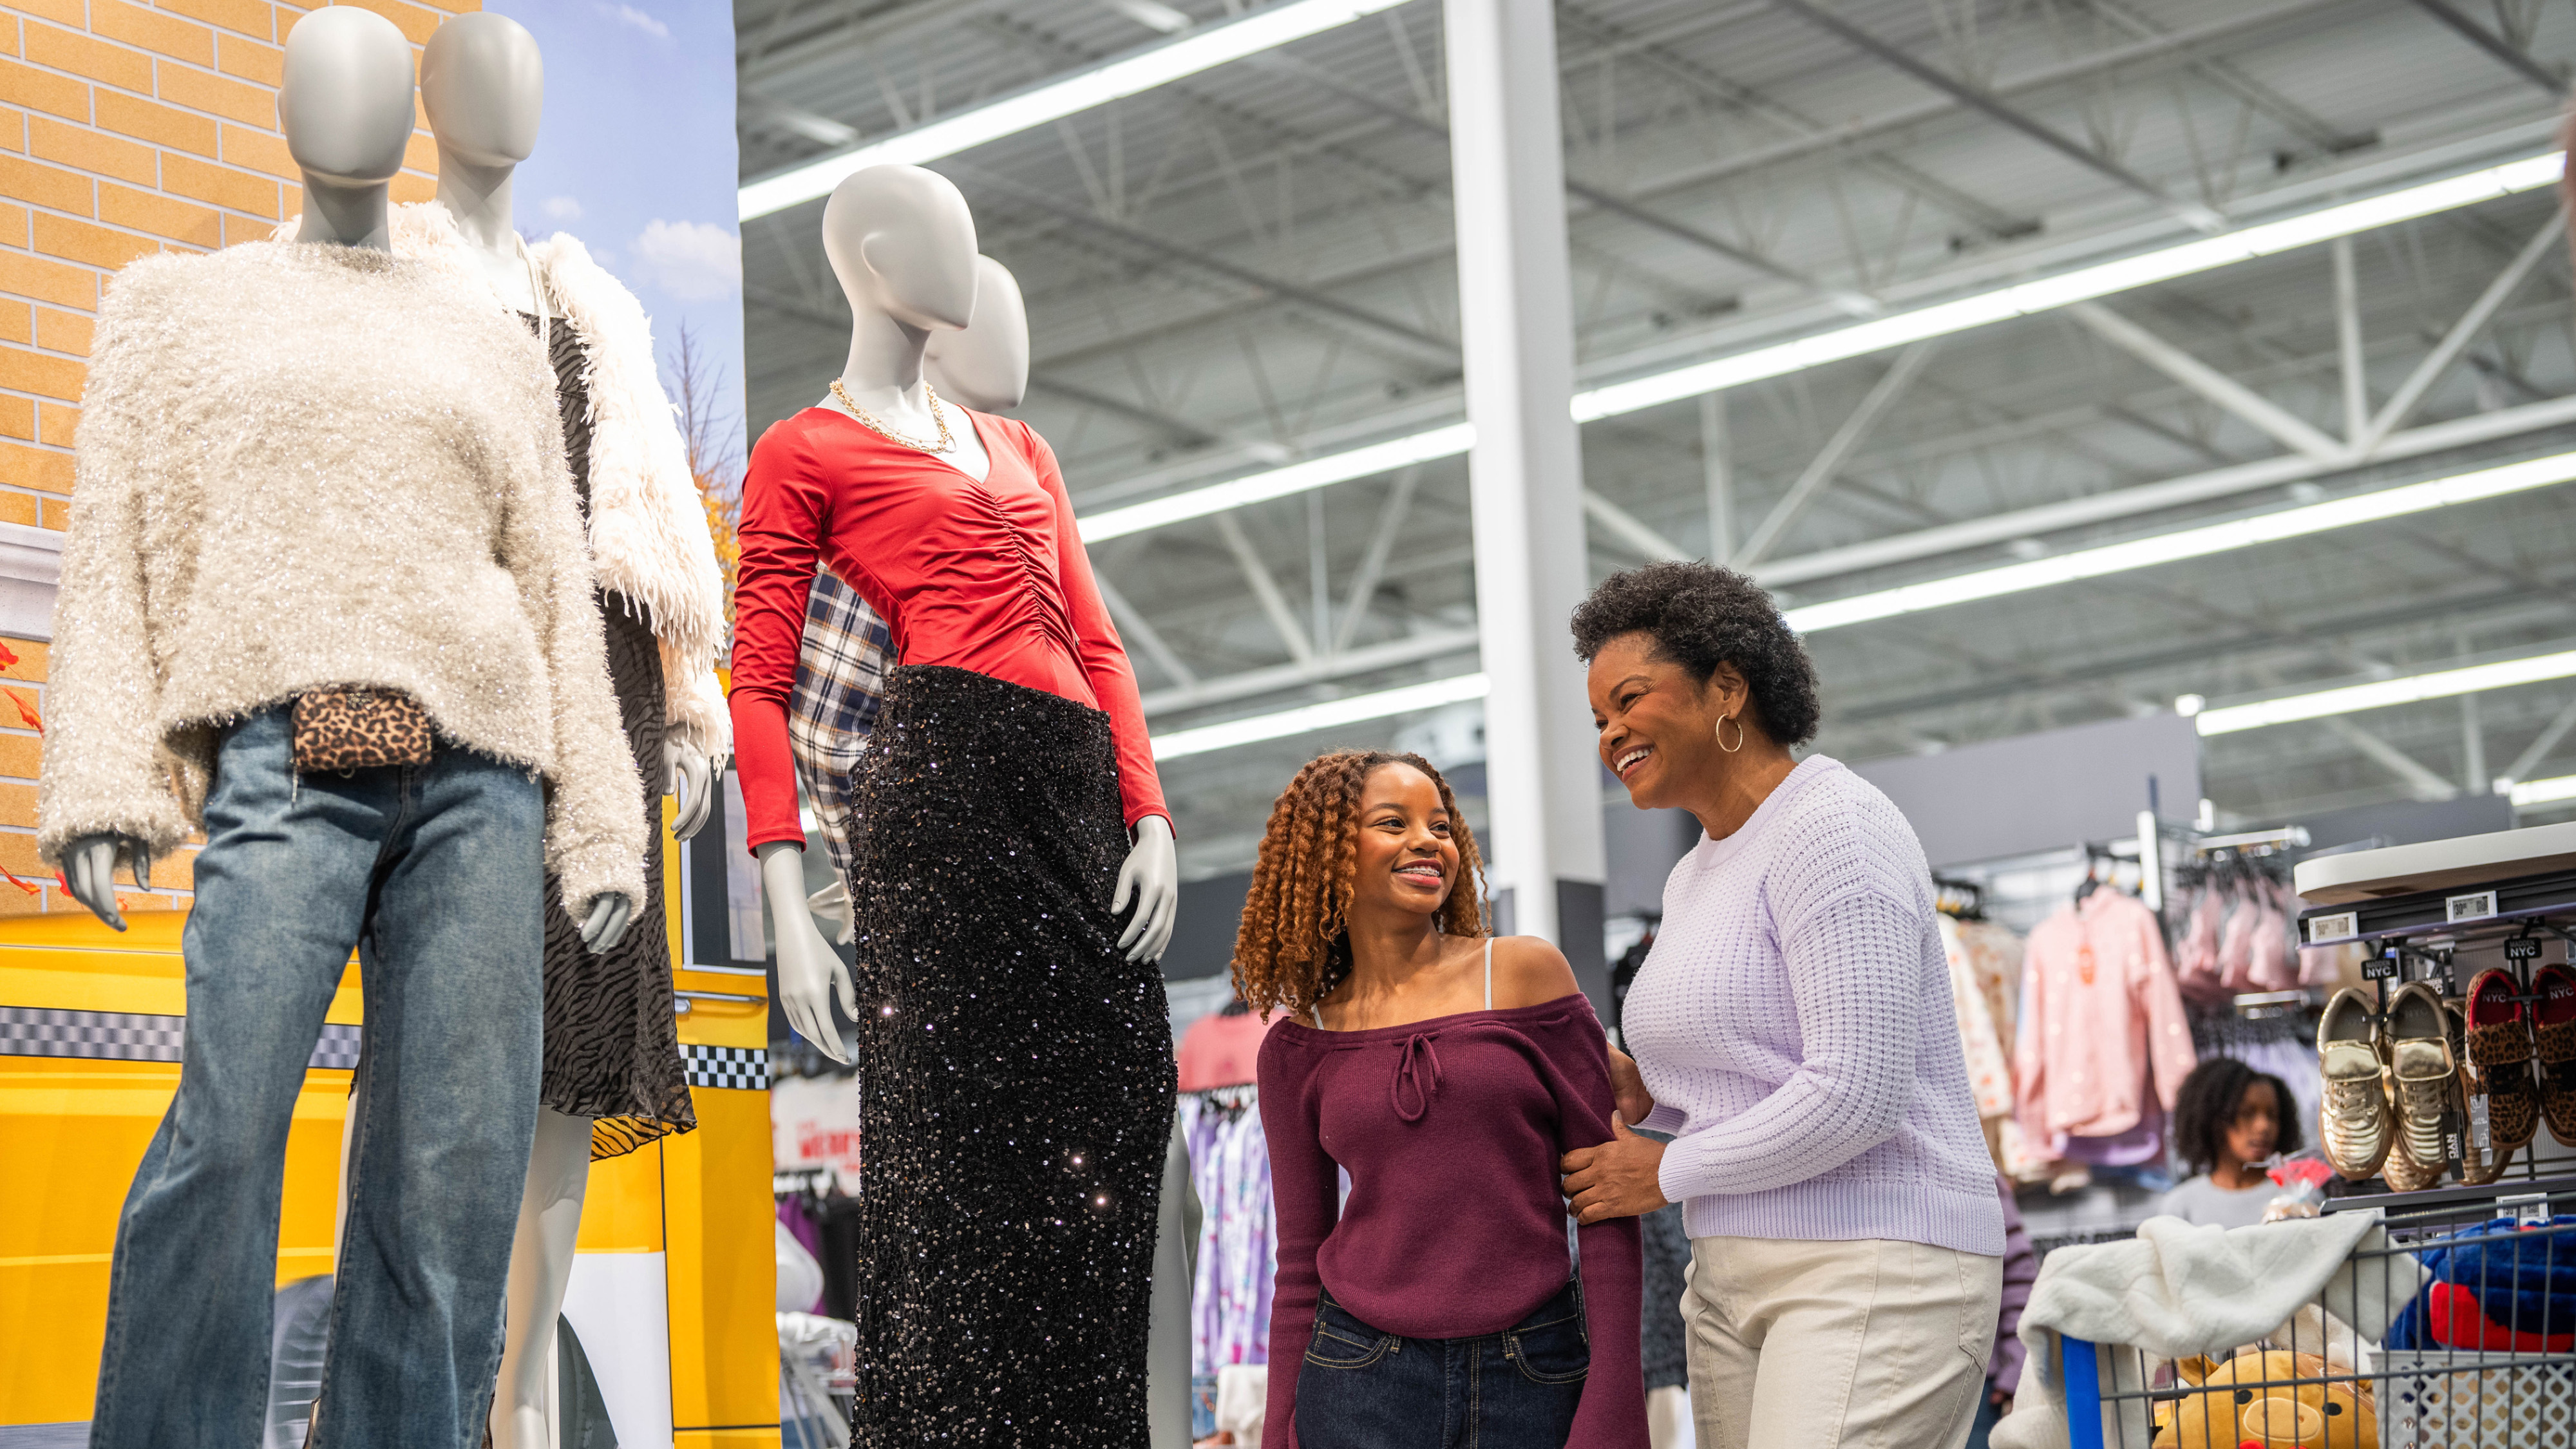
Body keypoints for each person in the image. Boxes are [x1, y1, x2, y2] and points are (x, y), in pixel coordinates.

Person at [1557, 560, 2006, 1449]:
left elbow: (1856, 1092)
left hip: (1878, 1260)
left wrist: (1662, 1169)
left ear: (1729, 685)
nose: (1610, 735)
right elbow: (1755, 1066)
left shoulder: (1833, 826)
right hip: (1730, 1273)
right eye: (1600, 719)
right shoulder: (1695, 873)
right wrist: (1648, 1086)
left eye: (1631, 700)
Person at [1241, 750, 1649, 1449]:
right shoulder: (1297, 1045)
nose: (1428, 841)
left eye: (1440, 824)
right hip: (1357, 1377)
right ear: (1331, 852)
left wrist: (1614, 1400)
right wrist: (1278, 1427)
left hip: (1536, 1369)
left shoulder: (1524, 974)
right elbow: (1301, 1257)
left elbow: (1605, 1201)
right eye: (1393, 823)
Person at [2156, 1059, 2297, 1227]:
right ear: (2213, 1118)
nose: (2263, 1126)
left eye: (2273, 1115)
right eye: (2247, 1113)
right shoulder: (2180, 1208)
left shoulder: (2298, 1197)